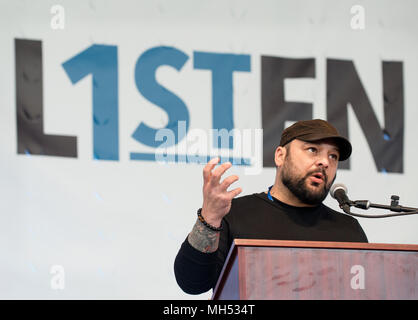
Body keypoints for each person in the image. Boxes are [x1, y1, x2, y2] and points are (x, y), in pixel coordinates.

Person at [174, 119, 368, 295]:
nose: (325, 162)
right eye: (312, 150)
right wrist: (209, 218)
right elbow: (192, 284)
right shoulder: (234, 214)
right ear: (280, 156)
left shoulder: (349, 230)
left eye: (333, 156)